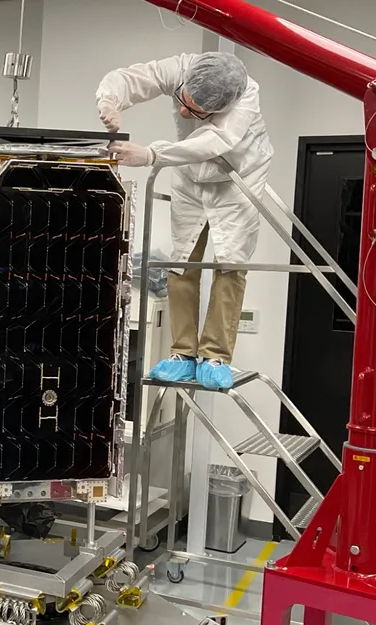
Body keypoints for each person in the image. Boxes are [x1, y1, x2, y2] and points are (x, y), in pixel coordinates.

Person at [94, 52, 273, 390]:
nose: (182, 112)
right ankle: (183, 353)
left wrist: (151, 154)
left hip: (237, 177)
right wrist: (110, 98)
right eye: (183, 101)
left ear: (218, 110)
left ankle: (215, 355)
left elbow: (217, 140)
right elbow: (135, 75)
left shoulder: (245, 95)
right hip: (189, 173)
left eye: (194, 111)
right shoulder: (184, 68)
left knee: (230, 264)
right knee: (181, 260)